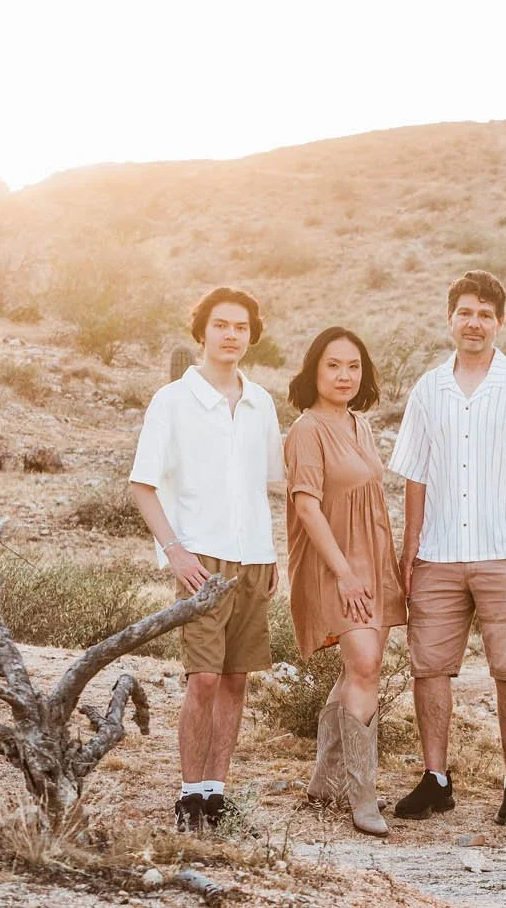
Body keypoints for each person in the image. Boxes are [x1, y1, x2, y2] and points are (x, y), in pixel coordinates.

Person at [388, 270, 506, 827]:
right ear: (449, 319)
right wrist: (410, 545)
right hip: (438, 552)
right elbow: (415, 473)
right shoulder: (428, 387)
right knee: (430, 668)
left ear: (500, 323)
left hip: (504, 552)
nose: (474, 322)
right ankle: (436, 779)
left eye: (486, 313)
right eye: (465, 312)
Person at [130, 287, 284, 832]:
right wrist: (175, 552)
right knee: (203, 679)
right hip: (202, 561)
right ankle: (188, 793)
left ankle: (216, 792)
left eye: (241, 327)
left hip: (255, 559)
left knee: (237, 679)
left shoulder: (261, 402)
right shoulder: (173, 400)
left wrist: (274, 557)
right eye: (221, 325)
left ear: (251, 334)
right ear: (203, 331)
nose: (230, 335)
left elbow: (273, 483)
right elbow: (143, 486)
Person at [285, 326, 406, 837]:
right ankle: (363, 798)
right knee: (364, 663)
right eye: (333, 365)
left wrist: (381, 566)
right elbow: (306, 505)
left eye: (353, 366)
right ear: (315, 370)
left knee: (361, 668)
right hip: (334, 562)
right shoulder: (306, 429)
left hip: (372, 557)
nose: (344, 375)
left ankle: (323, 780)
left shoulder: (360, 424)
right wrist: (345, 572)